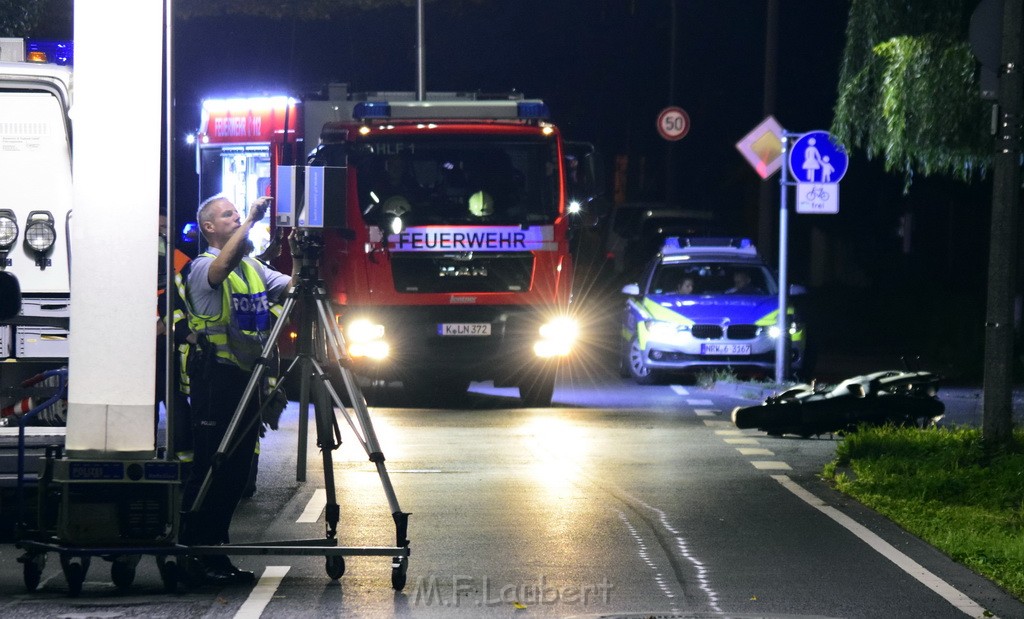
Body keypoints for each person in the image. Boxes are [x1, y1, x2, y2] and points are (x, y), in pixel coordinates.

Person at [178, 195, 301, 586]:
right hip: (216, 379)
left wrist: (298, 256)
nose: (235, 218)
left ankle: (217, 552)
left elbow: (293, 290)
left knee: (235, 473)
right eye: (227, 215)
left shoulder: (253, 268)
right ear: (209, 228)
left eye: (237, 213)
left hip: (247, 380)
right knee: (211, 466)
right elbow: (222, 264)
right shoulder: (201, 267)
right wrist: (250, 219)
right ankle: (193, 552)